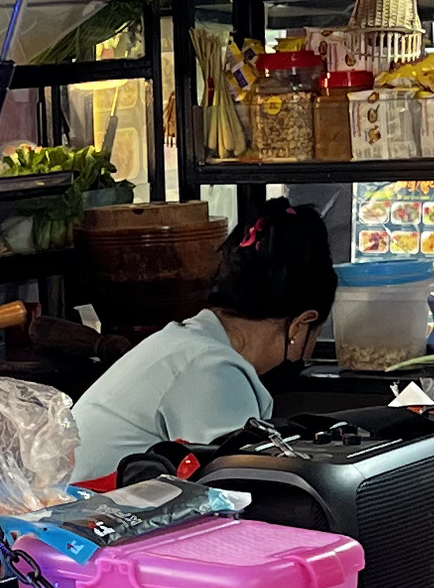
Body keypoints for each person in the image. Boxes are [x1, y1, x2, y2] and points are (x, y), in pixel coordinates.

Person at [66, 202, 339, 482]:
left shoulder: (185, 343)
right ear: (300, 325)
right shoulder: (212, 369)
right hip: (84, 516)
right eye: (313, 338)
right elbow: (240, 488)